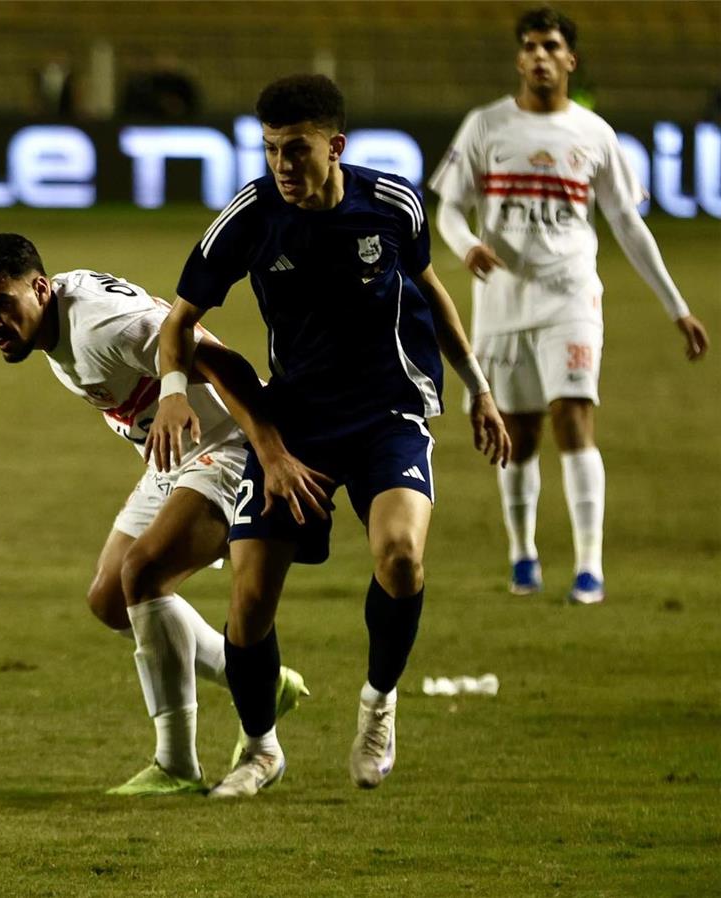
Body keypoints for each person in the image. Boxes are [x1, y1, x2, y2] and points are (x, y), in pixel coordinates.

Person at [147, 74, 510, 798]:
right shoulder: (248, 217)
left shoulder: (392, 203)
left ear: (334, 146)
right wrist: (172, 392)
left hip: (387, 413)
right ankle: (259, 750)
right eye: (271, 149)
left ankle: (379, 704)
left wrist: (479, 389)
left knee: (401, 557)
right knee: (249, 602)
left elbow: (430, 290)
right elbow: (179, 323)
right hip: (296, 421)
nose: (282, 164)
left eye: (297, 149)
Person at [0, 234, 308, 797]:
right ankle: (261, 684)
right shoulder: (58, 315)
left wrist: (269, 451)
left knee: (143, 574)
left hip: (230, 443)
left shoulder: (101, 328)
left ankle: (176, 764)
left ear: (41, 289)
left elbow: (219, 359)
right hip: (174, 454)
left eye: (2, 304)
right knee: (109, 598)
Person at [429, 6, 710, 605]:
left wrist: (677, 307)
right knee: (520, 434)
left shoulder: (595, 134)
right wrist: (467, 244)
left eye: (550, 46)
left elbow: (628, 226)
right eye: (529, 46)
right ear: (519, 58)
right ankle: (523, 554)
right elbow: (448, 207)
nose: (539, 56)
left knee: (574, 418)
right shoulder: (485, 126)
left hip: (571, 294)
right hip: (502, 302)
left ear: (569, 60)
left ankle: (589, 566)